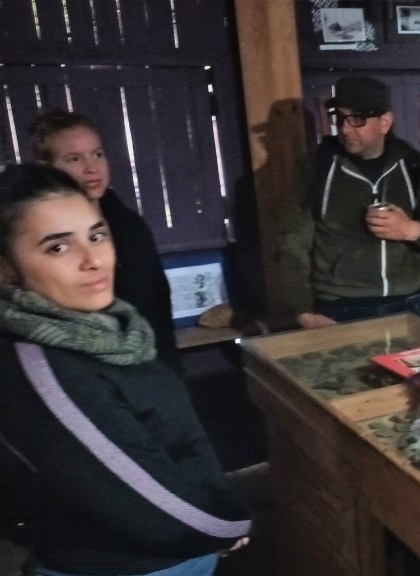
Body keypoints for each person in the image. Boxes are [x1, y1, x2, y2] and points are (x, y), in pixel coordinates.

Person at [0, 164, 251, 576]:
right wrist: (222, 527)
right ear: (6, 267)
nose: (93, 260)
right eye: (58, 248)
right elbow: (136, 498)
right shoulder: (45, 369)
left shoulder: (106, 328)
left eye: (96, 236)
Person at [278, 76, 420, 328]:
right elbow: (292, 242)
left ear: (384, 122)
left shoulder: (412, 164)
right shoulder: (316, 167)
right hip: (339, 307)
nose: (344, 129)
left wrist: (411, 229)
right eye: (340, 118)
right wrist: (302, 311)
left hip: (409, 303)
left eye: (357, 119)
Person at [28, 110, 182, 374]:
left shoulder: (129, 224)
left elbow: (158, 302)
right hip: (85, 372)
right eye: (74, 158)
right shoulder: (40, 235)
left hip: (153, 366)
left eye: (97, 154)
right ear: (47, 167)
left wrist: (171, 370)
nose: (92, 167)